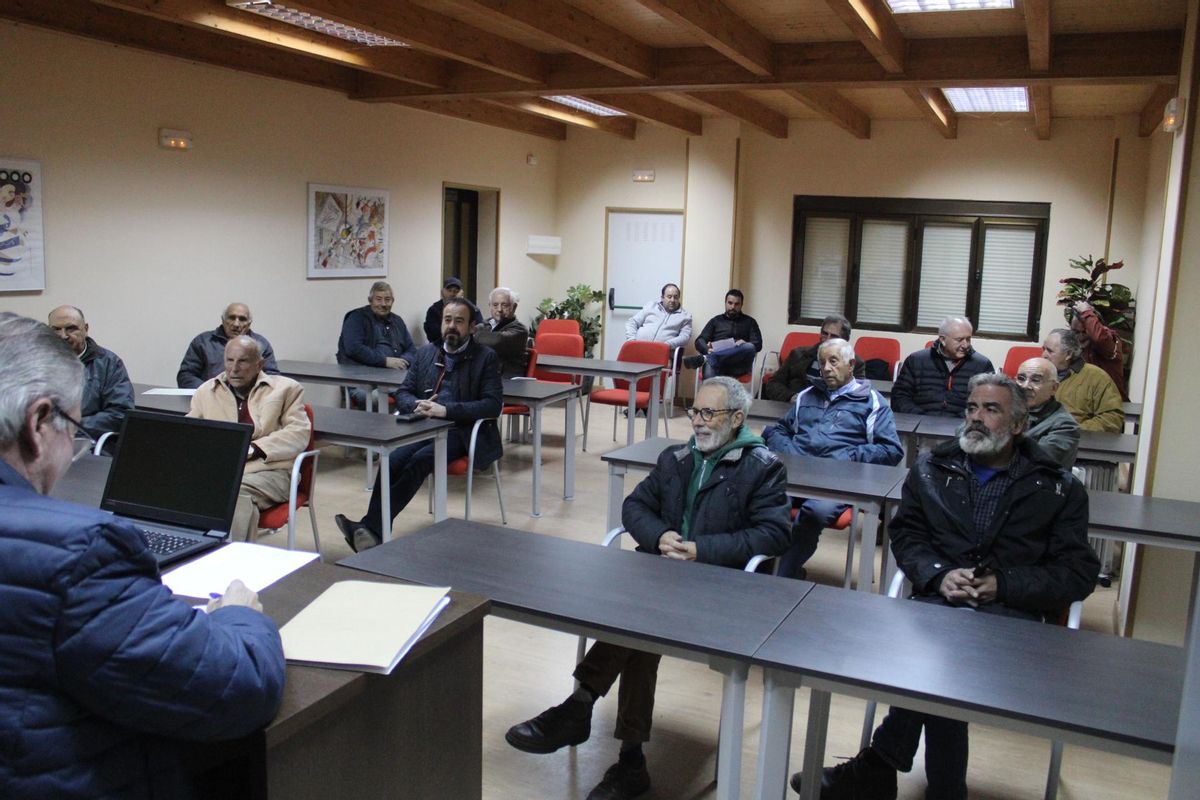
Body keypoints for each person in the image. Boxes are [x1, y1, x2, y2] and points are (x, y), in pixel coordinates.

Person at [0, 313, 285, 799]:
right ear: (39, 423)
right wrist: (240, 618)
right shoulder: (84, 554)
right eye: (72, 425)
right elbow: (235, 688)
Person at [791, 373, 1098, 800]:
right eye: (972, 407)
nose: (976, 417)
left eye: (991, 410)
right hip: (937, 606)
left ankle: (879, 768)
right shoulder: (933, 468)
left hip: (1012, 622)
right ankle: (941, 789)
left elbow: (1077, 572)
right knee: (939, 659)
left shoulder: (1056, 486)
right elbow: (907, 536)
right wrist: (939, 574)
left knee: (937, 666)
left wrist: (1002, 584)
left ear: (1018, 425)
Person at [504, 376, 790, 800]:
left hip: (720, 588)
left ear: (737, 419)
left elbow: (773, 534)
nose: (697, 422)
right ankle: (627, 757)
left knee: (637, 624)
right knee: (638, 627)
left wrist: (701, 549)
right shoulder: (676, 458)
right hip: (658, 578)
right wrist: (658, 536)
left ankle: (583, 708)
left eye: (708, 413)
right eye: (695, 412)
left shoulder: (762, 466)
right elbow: (635, 505)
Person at [336, 297, 502, 552]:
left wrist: (446, 409)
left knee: (421, 460)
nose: (452, 327)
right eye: (448, 320)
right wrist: (417, 403)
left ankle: (371, 528)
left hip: (462, 430)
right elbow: (403, 392)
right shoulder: (426, 353)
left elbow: (492, 405)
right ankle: (373, 530)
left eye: (459, 321)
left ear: (471, 327)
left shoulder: (485, 357)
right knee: (391, 460)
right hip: (423, 424)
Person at [763, 338, 903, 578]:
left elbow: (891, 450)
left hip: (840, 483)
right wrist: (793, 452)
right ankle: (761, 563)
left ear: (850, 365)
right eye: (822, 362)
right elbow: (777, 431)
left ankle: (783, 573)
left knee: (814, 512)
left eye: (833, 361)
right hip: (797, 475)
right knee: (758, 498)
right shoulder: (806, 397)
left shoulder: (872, 402)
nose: (826, 368)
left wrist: (846, 456)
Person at [188, 336, 310, 541]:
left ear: (259, 364)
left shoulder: (286, 389)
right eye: (229, 360)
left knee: (233, 493)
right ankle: (194, 553)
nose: (234, 368)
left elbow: (298, 433)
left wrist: (254, 448)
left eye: (242, 361)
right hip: (221, 470)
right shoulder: (206, 391)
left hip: (271, 470)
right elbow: (191, 433)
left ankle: (236, 560)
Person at [47, 304, 133, 440]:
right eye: (56, 329)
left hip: (88, 442)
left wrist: (71, 426)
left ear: (85, 329)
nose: (63, 336)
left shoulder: (108, 363)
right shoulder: (34, 363)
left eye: (71, 329)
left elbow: (120, 413)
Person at [891, 316, 994, 417]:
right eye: (960, 340)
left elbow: (988, 402)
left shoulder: (982, 365)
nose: (965, 345)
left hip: (964, 427)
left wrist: (961, 421)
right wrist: (919, 417)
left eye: (968, 339)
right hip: (918, 423)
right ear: (943, 340)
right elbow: (899, 396)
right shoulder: (916, 360)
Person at [336, 281, 417, 407]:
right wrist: (385, 361)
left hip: (395, 379)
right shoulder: (356, 318)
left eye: (387, 299)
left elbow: (411, 349)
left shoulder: (397, 321)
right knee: (375, 399)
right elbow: (354, 348)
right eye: (378, 299)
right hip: (363, 382)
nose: (383, 304)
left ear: (393, 301)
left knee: (422, 393)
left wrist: (403, 361)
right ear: (370, 300)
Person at [761, 315, 864, 402]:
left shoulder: (854, 363)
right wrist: (791, 397)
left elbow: (857, 395)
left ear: (844, 340)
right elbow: (773, 384)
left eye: (833, 336)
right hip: (795, 408)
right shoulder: (798, 355)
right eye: (824, 334)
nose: (827, 339)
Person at [177, 302, 279, 389]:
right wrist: (210, 391)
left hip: (248, 402)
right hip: (209, 400)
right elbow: (185, 376)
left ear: (249, 323)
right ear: (223, 320)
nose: (236, 324)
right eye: (232, 318)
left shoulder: (261, 345)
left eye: (242, 319)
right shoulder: (203, 342)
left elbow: (272, 378)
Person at [1042, 328, 1123, 432]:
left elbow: (1113, 418)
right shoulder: (1038, 374)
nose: (1043, 355)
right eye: (1043, 349)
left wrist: (1076, 430)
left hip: (1076, 440)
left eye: (1049, 351)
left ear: (1068, 354)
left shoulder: (1096, 377)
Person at [1015, 356, 1080, 468]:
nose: (1025, 386)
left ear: (1054, 388)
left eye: (1035, 380)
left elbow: (1033, 463)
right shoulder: (1009, 412)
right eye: (1021, 378)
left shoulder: (1065, 426)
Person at [683, 289, 763, 379]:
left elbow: (758, 345)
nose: (733, 307)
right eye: (730, 303)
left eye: (737, 304)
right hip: (717, 364)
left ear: (741, 305)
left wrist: (743, 343)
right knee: (711, 364)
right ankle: (710, 357)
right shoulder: (716, 321)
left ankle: (706, 358)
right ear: (725, 303)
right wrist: (707, 349)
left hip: (738, 365)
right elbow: (699, 340)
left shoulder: (750, 322)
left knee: (749, 347)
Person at [1070, 300, 1127, 399]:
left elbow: (1099, 338)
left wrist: (1086, 312)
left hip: (1110, 404)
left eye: (1084, 332)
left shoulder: (1109, 341)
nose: (1080, 337)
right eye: (1075, 332)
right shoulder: (1075, 350)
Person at [473, 286, 529, 378]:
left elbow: (497, 341)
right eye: (495, 305)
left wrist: (473, 335)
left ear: (514, 307)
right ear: (490, 306)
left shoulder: (520, 330)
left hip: (506, 380)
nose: (499, 309)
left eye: (504, 305)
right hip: (483, 376)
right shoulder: (485, 324)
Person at [624, 283, 692, 351]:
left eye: (676, 297)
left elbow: (685, 337)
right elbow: (632, 322)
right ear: (662, 298)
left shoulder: (685, 317)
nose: (672, 300)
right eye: (669, 297)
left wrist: (667, 345)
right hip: (637, 349)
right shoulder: (651, 306)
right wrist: (632, 340)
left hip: (662, 353)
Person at [423, 276, 484, 347]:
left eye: (456, 291)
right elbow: (433, 335)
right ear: (442, 292)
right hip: (439, 348)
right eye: (449, 290)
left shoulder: (471, 309)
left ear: (462, 293)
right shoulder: (433, 310)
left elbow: (480, 328)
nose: (452, 294)